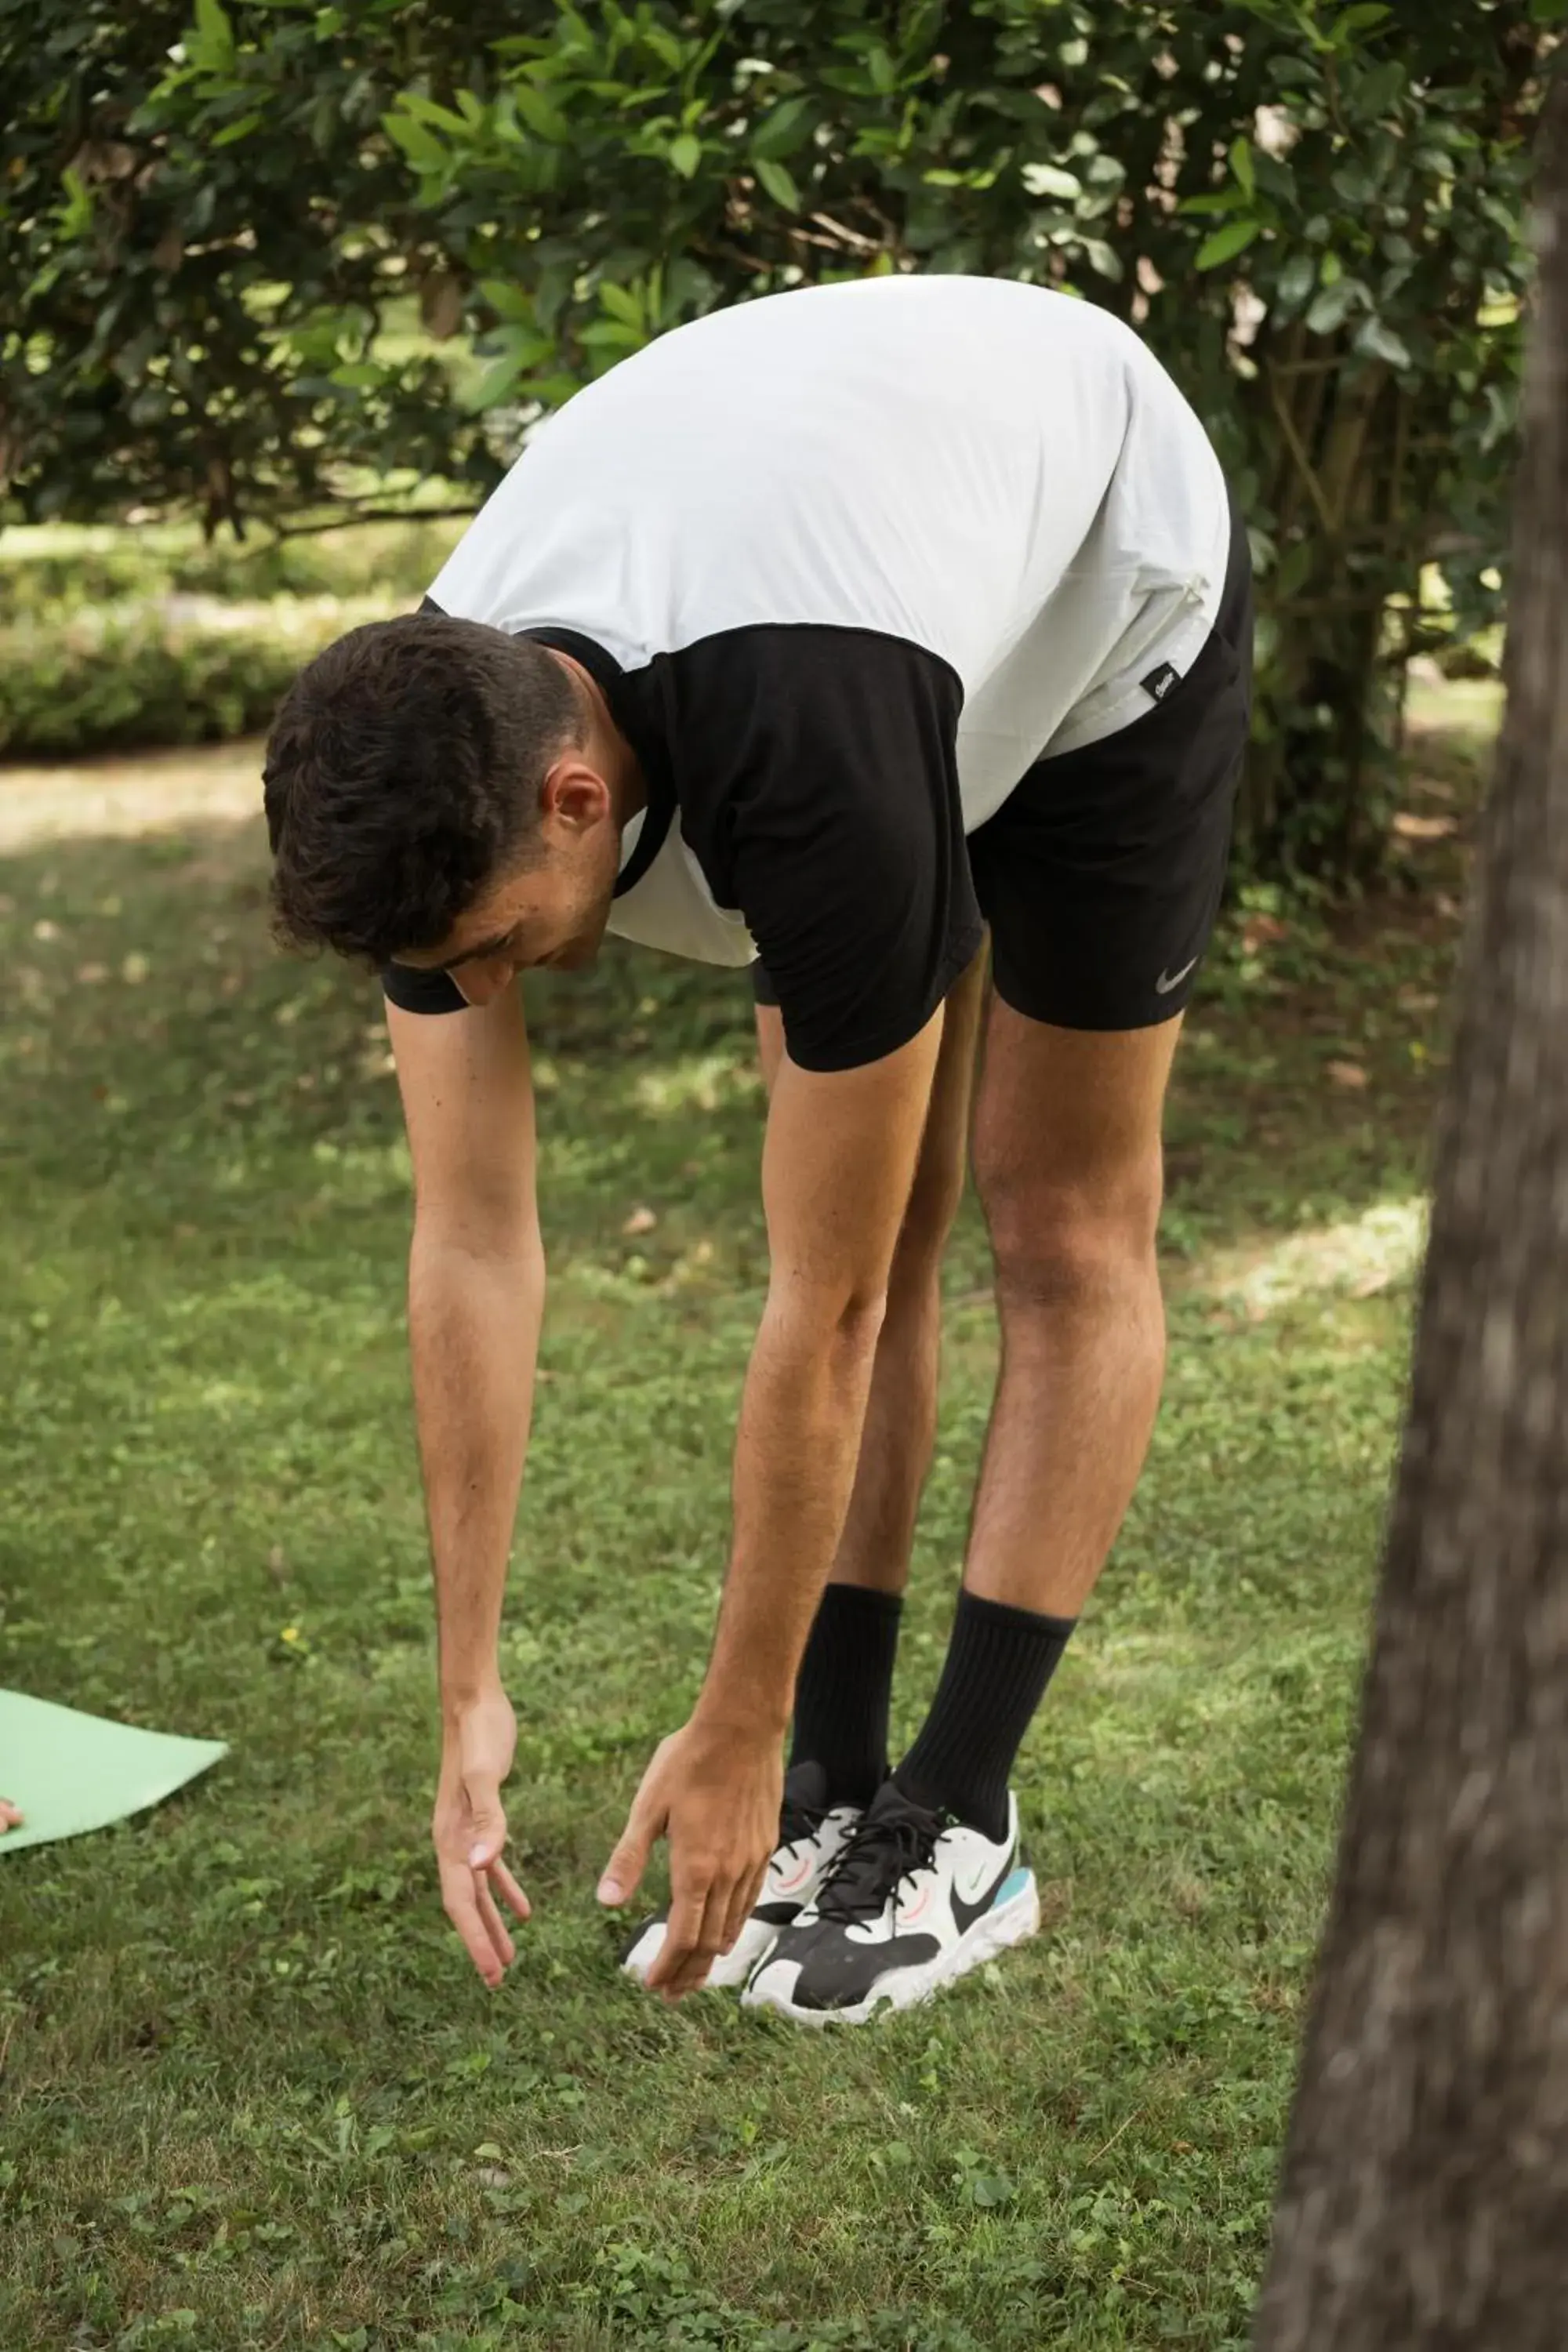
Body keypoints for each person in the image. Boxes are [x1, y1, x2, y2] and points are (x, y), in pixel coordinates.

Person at [260, 272, 1251, 2024]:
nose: (477, 985)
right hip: (874, 569)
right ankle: (834, 1787)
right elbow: (470, 1241)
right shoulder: (436, 734)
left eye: (488, 942)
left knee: (1053, 1214)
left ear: (580, 800)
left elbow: (831, 1305)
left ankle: (959, 1813)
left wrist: (732, 1717)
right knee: (900, 1202)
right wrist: (464, 1684)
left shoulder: (809, 761)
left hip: (1098, 583)